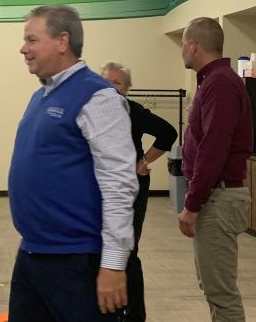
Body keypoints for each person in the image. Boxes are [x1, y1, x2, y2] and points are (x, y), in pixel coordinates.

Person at [8, 5, 138, 321]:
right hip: (33, 253)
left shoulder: (98, 97)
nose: (23, 49)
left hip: (76, 260)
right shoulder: (41, 96)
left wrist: (113, 264)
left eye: (31, 39)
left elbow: (119, 183)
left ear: (62, 41)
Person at [177, 17, 253, 321]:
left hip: (218, 199)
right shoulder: (213, 81)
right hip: (214, 196)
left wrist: (192, 204)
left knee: (221, 293)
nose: (182, 50)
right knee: (212, 286)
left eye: (183, 44)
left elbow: (214, 148)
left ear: (193, 45)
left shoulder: (220, 83)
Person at [101, 62, 177, 322]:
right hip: (104, 189)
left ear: (127, 88)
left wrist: (143, 163)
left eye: (117, 83)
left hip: (132, 187)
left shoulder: (133, 111)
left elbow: (168, 133)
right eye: (106, 81)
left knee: (128, 251)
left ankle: (134, 314)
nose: (110, 87)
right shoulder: (93, 112)